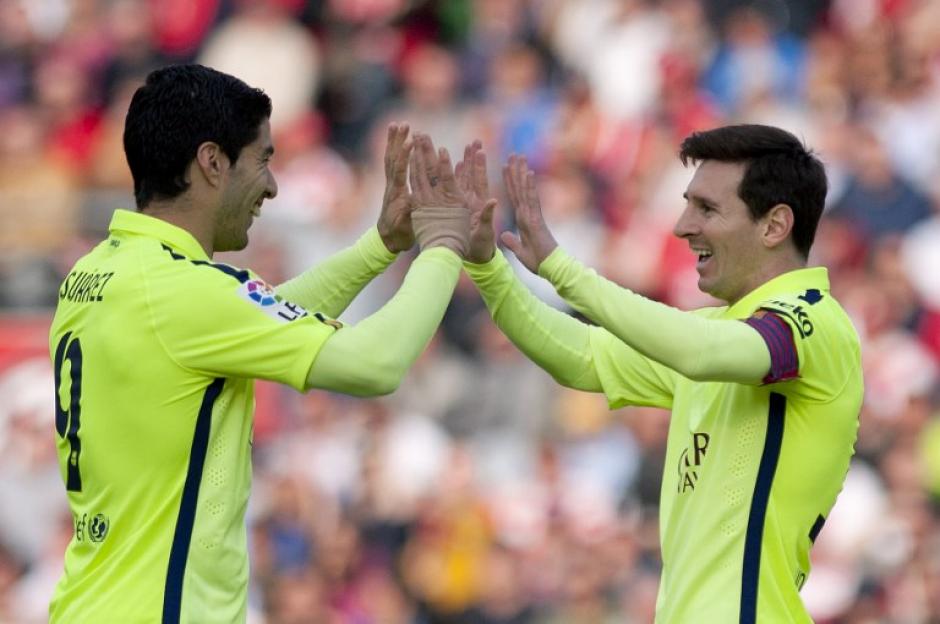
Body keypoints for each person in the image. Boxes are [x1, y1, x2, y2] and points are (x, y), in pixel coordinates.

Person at [48, 64, 472, 623]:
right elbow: (377, 365)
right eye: (263, 160)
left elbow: (255, 317)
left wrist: (378, 248)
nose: (272, 186)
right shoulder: (185, 291)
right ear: (212, 161)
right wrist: (443, 247)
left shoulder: (97, 272)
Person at [458, 125, 863, 623]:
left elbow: (702, 353)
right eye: (688, 204)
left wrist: (564, 270)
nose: (682, 226)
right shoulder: (715, 330)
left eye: (707, 209)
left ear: (775, 225)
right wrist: (487, 267)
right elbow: (580, 355)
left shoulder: (815, 320)